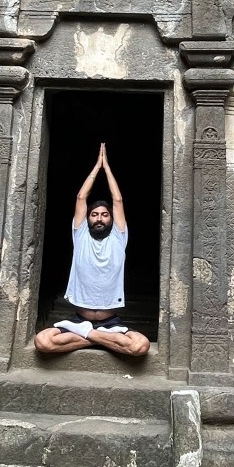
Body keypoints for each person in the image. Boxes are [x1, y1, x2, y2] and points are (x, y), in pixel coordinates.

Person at [34, 143, 150, 358]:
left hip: (110, 323)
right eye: (94, 214)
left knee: (140, 346)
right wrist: (96, 168)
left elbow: (117, 200)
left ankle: (88, 336)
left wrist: (107, 168)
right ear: (87, 218)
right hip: (79, 320)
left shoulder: (118, 237)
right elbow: (80, 198)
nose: (99, 218)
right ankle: (101, 340)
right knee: (42, 342)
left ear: (111, 220)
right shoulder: (80, 237)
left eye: (104, 215)